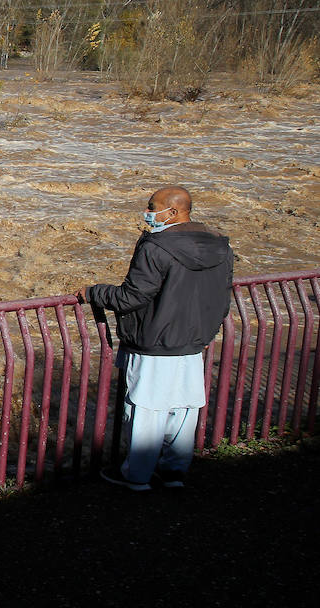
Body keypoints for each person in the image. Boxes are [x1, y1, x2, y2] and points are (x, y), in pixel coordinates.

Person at [85, 185, 234, 490]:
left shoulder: (157, 247)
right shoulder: (220, 247)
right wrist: (207, 333)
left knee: (144, 410)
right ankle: (173, 472)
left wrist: (93, 293)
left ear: (174, 211)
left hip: (153, 341)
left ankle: (136, 476)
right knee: (183, 409)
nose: (148, 212)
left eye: (152, 207)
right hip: (192, 342)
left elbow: (131, 297)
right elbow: (222, 298)